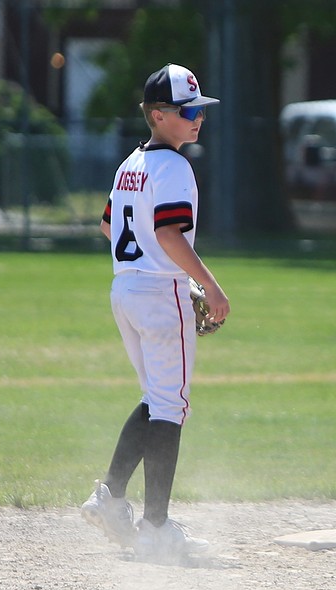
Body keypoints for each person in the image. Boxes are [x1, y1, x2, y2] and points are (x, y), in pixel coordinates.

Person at [80, 63, 230, 562]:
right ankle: (156, 528)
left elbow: (108, 227)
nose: (197, 118)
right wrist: (205, 285)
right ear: (158, 114)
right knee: (170, 406)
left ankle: (111, 497)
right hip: (158, 293)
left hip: (126, 290)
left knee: (158, 398)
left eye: (200, 110)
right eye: (188, 111)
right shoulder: (174, 167)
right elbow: (168, 233)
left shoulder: (131, 164)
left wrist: (150, 265)